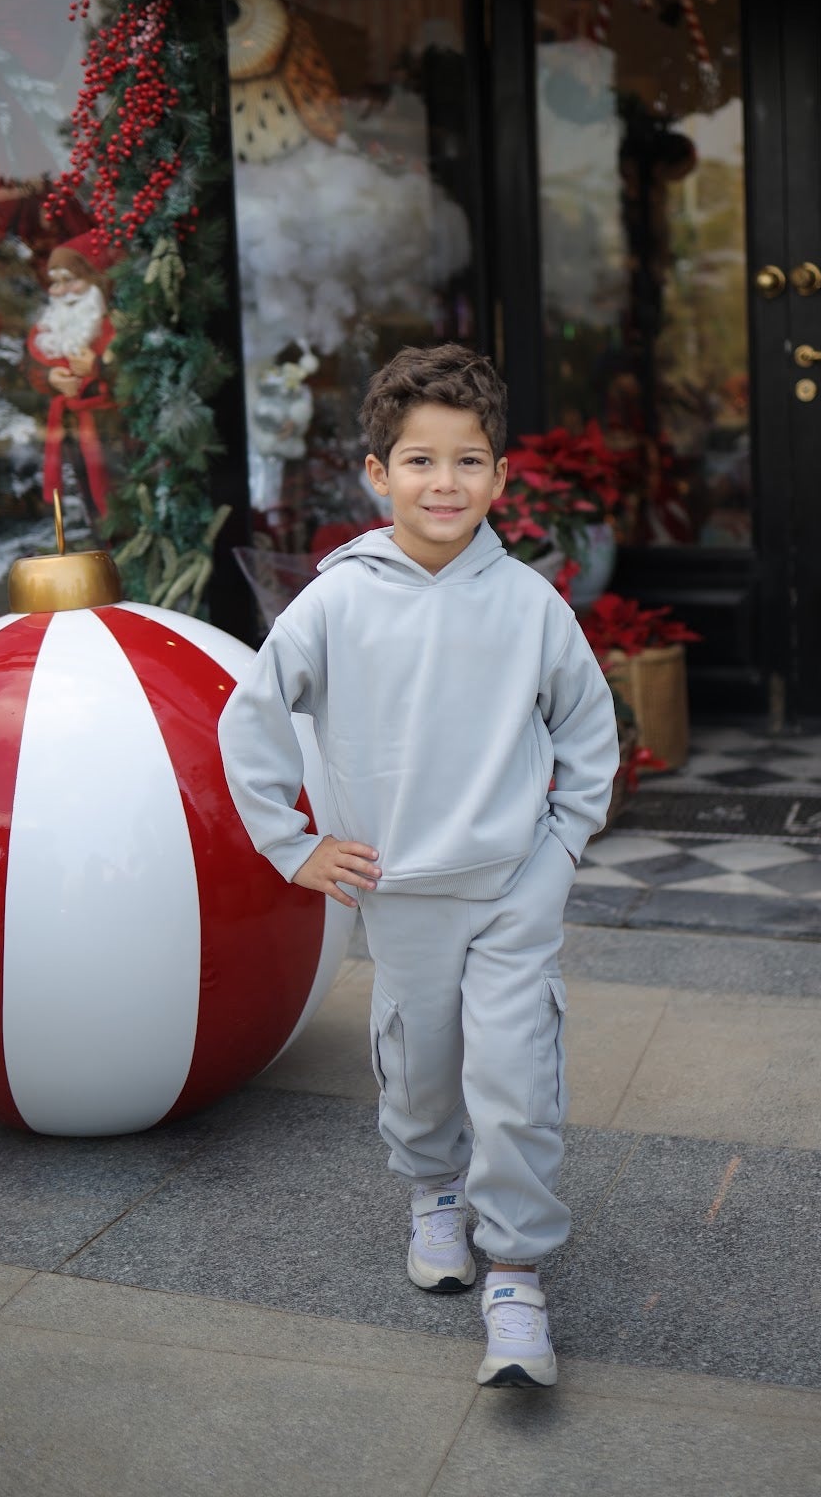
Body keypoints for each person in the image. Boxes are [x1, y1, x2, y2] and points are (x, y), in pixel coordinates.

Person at [218, 342, 619, 1389]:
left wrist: (562, 844)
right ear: (375, 473)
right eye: (420, 461)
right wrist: (292, 844)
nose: (445, 484)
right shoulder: (334, 603)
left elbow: (586, 733)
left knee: (515, 1074)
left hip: (512, 887)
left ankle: (519, 1274)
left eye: (469, 460)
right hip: (401, 894)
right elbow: (249, 720)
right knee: (422, 1059)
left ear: (500, 472)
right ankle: (436, 1191)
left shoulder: (529, 603)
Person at [26, 234, 117, 522]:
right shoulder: (46, 333)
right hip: (66, 432)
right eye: (56, 282)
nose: (63, 290)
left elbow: (136, 377)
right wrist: (50, 377)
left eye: (71, 279)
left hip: (109, 435)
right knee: (84, 505)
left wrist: (100, 367)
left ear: (94, 280)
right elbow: (29, 369)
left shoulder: (113, 329)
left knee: (113, 502)